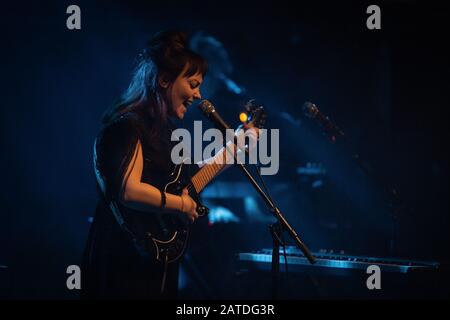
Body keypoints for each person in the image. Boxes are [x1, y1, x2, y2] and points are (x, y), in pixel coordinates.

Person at [81, 30, 257, 300]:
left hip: (153, 261)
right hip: (123, 261)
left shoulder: (164, 133)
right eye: (193, 84)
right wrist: (182, 205)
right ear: (164, 80)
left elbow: (189, 183)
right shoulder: (127, 126)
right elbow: (129, 191)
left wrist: (236, 148)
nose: (198, 95)